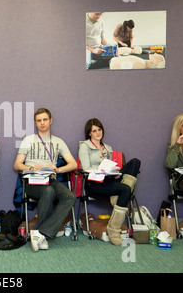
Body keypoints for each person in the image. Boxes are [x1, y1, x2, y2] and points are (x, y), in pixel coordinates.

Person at [14, 108, 77, 252]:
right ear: (35, 123)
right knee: (48, 191)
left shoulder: (58, 142)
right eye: (39, 120)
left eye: (45, 120)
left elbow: (73, 164)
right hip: (32, 181)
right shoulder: (28, 139)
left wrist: (58, 169)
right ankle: (42, 233)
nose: (42, 123)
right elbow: (17, 165)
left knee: (70, 197)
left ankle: (40, 232)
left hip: (51, 178)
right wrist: (31, 167)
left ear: (50, 121)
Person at [78, 118, 141, 246]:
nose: (97, 133)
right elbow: (85, 168)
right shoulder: (85, 146)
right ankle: (113, 230)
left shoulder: (107, 148)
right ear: (89, 133)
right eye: (94, 131)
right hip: (94, 183)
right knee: (125, 189)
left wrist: (114, 173)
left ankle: (117, 197)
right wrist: (101, 171)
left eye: (99, 129)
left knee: (135, 162)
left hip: (109, 181)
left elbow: (111, 165)